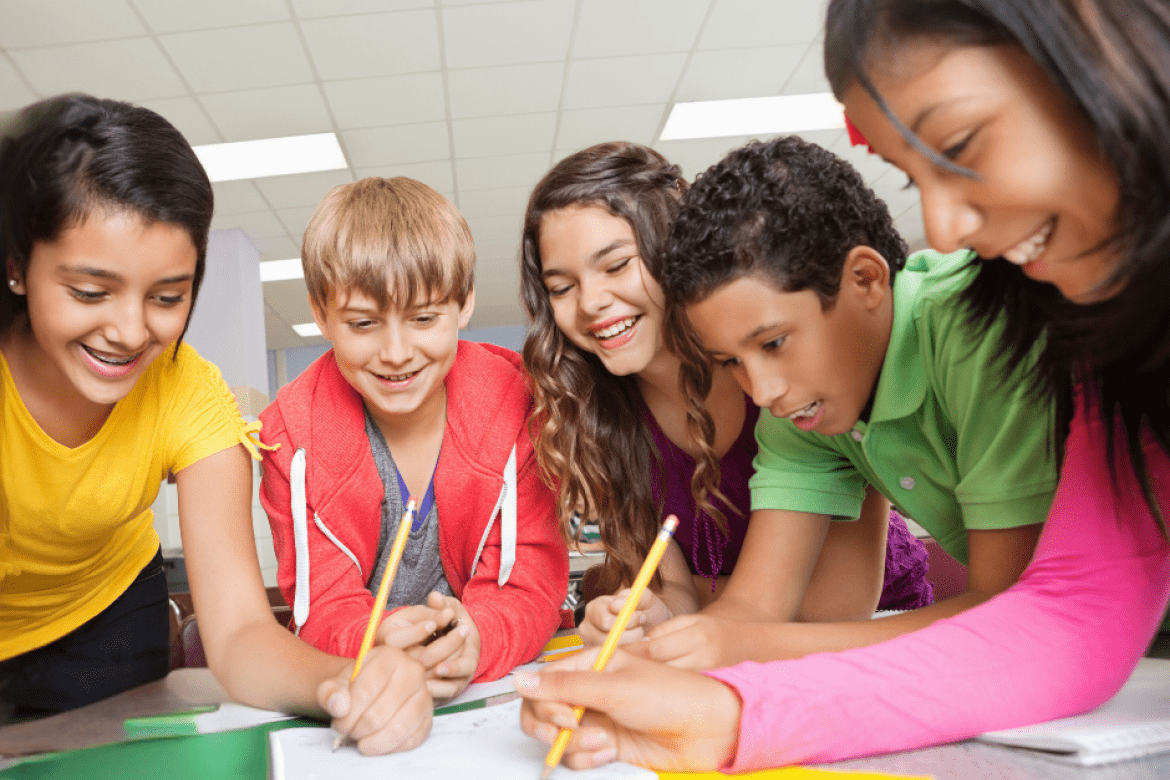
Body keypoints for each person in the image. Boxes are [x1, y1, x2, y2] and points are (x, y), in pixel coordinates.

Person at [515, 0, 1170, 771]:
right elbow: (1072, 614)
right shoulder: (1099, 329)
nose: (946, 225)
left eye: (960, 144)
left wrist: (738, 671)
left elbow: (1018, 604)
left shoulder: (985, 328)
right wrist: (728, 703)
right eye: (910, 172)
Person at [0, 94, 432, 756]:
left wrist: (347, 681)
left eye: (168, 297)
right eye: (90, 293)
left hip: (104, 625)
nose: (129, 331)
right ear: (16, 269)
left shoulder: (189, 391)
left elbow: (235, 634)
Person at [519, 142, 932, 651]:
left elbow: (832, 610)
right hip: (733, 642)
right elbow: (676, 592)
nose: (591, 302)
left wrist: (702, 599)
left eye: (617, 265)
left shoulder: (796, 377)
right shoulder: (598, 417)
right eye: (561, 287)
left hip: (876, 632)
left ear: (678, 255)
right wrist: (653, 612)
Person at [259, 177, 568, 701]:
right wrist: (372, 639)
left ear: (464, 303)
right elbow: (321, 608)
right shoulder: (290, 436)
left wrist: (478, 637)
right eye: (363, 324)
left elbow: (528, 588)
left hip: (488, 695)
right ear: (320, 315)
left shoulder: (523, 407)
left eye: (424, 318)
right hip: (370, 691)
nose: (397, 352)